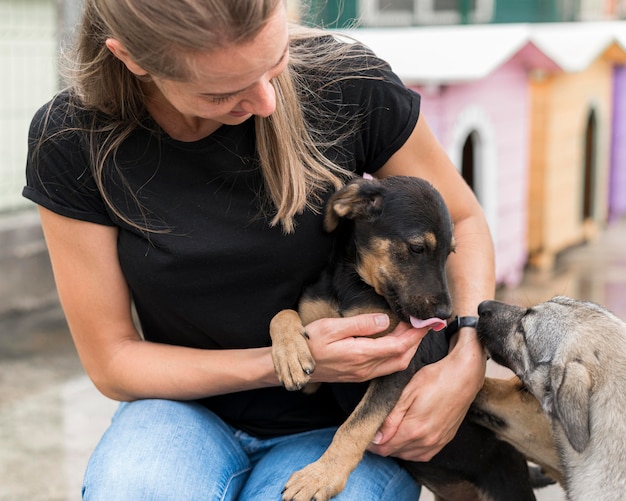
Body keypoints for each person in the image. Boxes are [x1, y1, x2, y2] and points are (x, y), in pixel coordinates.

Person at [24, 0, 494, 499]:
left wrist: (467, 360)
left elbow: (461, 219)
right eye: (222, 91)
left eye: (276, 60)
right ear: (133, 58)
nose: (268, 101)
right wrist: (280, 362)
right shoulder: (74, 139)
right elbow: (113, 360)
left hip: (338, 420)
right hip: (183, 411)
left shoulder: (348, 83)